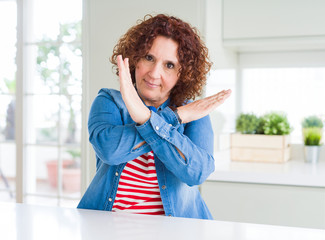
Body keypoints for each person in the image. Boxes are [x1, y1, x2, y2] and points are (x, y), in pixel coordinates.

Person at [77, 14, 231, 219]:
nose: (154, 73)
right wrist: (174, 117)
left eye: (169, 65)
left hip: (176, 230)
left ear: (182, 74)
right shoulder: (110, 101)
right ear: (135, 59)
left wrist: (147, 119)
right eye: (149, 58)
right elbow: (110, 151)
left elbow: (197, 173)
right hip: (108, 225)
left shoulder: (194, 111)